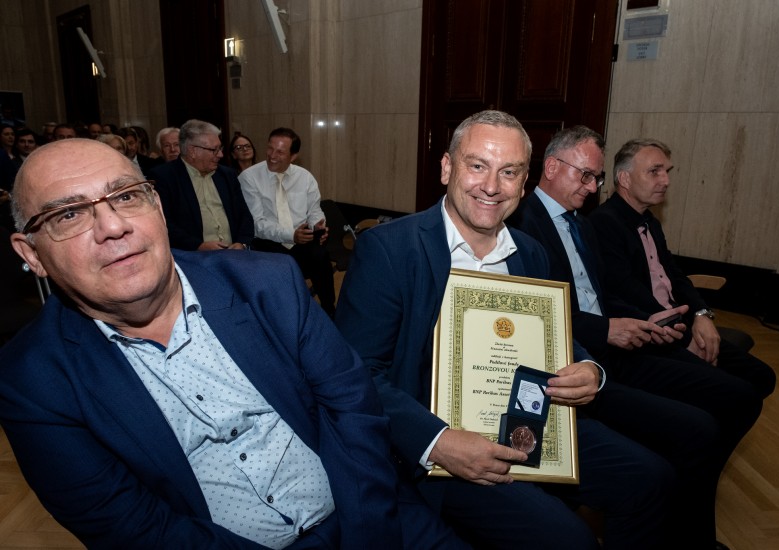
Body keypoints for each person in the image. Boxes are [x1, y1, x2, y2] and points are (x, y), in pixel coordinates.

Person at [0, 138, 463, 549]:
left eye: (126, 196)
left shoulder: (267, 283)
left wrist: (369, 536)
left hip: (372, 515)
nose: (113, 226)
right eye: (69, 214)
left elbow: (354, 408)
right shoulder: (32, 380)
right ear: (31, 253)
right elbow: (134, 527)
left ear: (158, 207)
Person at [335, 110, 674, 549]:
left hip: (531, 419)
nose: (492, 186)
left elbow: (552, 335)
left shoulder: (529, 252)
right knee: (568, 539)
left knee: (650, 478)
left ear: (524, 182)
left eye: (509, 172)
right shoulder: (390, 249)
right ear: (447, 168)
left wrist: (590, 368)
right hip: (437, 444)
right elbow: (357, 373)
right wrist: (438, 441)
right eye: (478, 165)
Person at [509, 126, 772, 549]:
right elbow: (535, 314)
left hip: (612, 348)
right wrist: (609, 328)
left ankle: (683, 527)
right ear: (552, 167)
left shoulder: (580, 224)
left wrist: (645, 321)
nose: (593, 187)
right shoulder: (521, 222)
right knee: (698, 431)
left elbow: (602, 295)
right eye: (585, 175)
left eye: (596, 178)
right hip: (577, 363)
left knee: (733, 401)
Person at [588, 138, 776, 397]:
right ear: (625, 179)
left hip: (677, 324)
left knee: (763, 377)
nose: (665, 180)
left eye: (667, 171)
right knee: (740, 392)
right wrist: (685, 337)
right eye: (654, 171)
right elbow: (625, 291)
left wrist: (701, 314)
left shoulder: (649, 221)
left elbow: (675, 275)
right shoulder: (603, 222)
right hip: (651, 333)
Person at [239, 128, 336, 317]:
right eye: (270, 148)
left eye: (280, 152)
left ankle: (329, 310)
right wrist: (291, 235)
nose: (272, 156)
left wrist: (318, 225)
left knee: (320, 256)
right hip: (267, 241)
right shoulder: (249, 177)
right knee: (282, 264)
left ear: (293, 156)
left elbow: (314, 210)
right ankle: (286, 315)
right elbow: (256, 223)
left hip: (301, 237)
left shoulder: (305, 177)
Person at [149, 119, 253, 251]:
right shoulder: (164, 177)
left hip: (234, 253)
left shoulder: (227, 175)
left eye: (220, 148)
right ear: (193, 151)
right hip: (192, 255)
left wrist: (242, 243)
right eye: (214, 150)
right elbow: (163, 223)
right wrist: (198, 246)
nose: (220, 154)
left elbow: (244, 215)